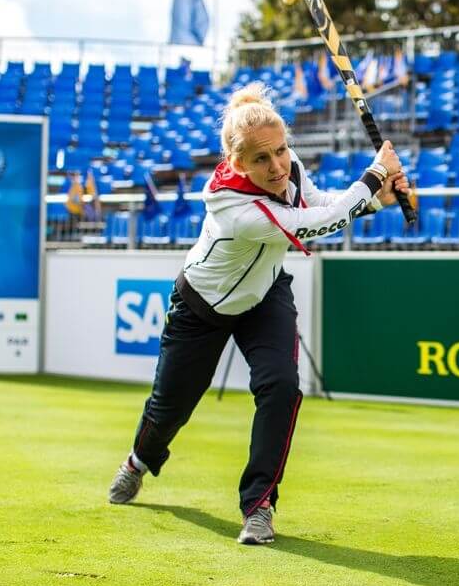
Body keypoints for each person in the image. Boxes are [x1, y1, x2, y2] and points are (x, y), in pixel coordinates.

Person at [107, 82, 408, 544]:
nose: (277, 166)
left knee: (282, 387)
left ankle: (259, 505)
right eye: (262, 160)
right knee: (169, 408)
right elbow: (309, 225)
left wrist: (376, 199)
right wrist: (372, 176)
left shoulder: (289, 171)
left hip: (264, 295)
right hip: (201, 306)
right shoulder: (232, 205)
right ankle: (138, 461)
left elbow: (319, 204)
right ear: (237, 163)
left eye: (282, 152)